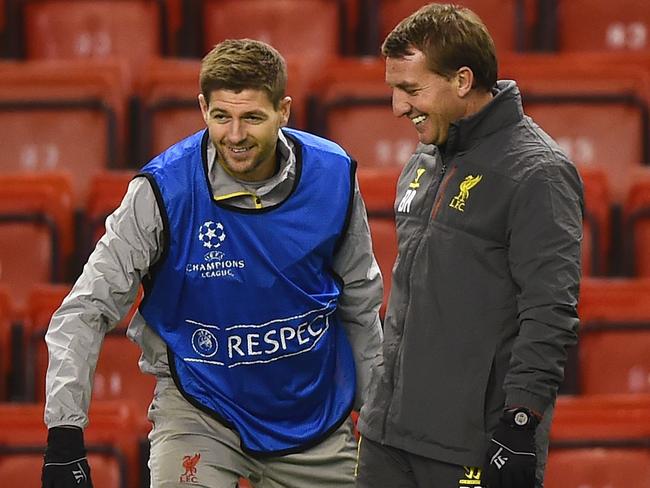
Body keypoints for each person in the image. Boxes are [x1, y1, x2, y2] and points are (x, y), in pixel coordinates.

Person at [41, 39, 383, 488]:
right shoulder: (163, 191)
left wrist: (381, 427)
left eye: (252, 118)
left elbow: (360, 306)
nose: (235, 135)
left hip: (312, 418)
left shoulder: (333, 176)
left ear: (284, 111)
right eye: (222, 116)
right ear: (202, 107)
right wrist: (64, 433)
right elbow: (86, 308)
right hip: (199, 411)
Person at [355, 4, 582, 488]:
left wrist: (521, 422)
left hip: (473, 446)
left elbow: (550, 312)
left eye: (411, 90)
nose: (397, 107)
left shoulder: (538, 173)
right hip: (386, 439)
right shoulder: (423, 158)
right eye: (394, 90)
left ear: (462, 80)